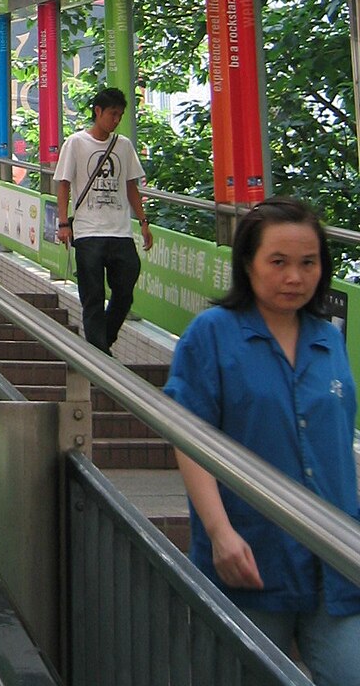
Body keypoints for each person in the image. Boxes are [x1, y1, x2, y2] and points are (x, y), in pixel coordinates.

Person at [163, 198, 360, 685]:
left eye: (308, 263)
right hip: (250, 556)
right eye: (278, 262)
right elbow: (188, 437)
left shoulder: (328, 340)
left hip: (333, 563)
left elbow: (338, 445)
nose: (294, 277)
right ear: (247, 263)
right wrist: (219, 532)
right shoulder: (212, 334)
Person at [53, 87, 153, 354]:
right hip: (88, 231)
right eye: (112, 114)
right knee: (93, 295)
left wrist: (143, 221)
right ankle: (101, 354)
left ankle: (102, 343)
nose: (116, 120)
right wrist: (63, 224)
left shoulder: (124, 145)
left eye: (120, 115)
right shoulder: (75, 143)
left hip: (120, 231)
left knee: (125, 288)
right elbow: (63, 184)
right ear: (98, 111)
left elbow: (131, 186)